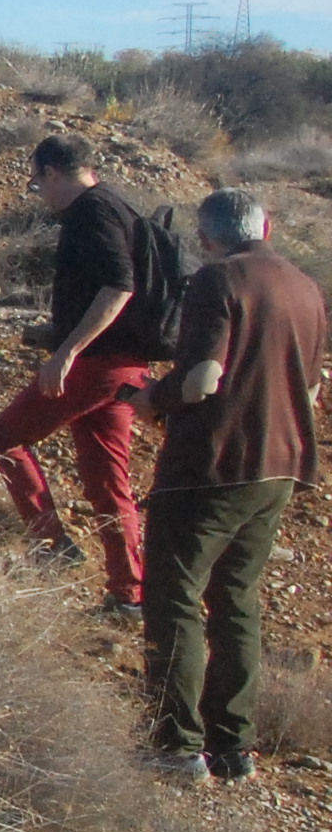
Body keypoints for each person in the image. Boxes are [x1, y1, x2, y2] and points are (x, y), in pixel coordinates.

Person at [130, 188, 327, 782]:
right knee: (237, 600)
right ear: (265, 226)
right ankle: (233, 747)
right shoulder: (306, 288)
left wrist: (151, 399)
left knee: (174, 598)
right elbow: (313, 391)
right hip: (281, 467)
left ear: (207, 236)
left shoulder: (217, 281)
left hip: (210, 468)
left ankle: (176, 746)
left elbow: (202, 380)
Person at [0, 134, 155, 614]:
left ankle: (51, 546)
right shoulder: (119, 205)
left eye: (37, 182)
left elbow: (119, 285)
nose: (40, 192)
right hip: (127, 366)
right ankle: (128, 592)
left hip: (96, 365)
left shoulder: (91, 211)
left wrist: (68, 352)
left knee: (4, 436)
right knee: (106, 478)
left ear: (52, 172)